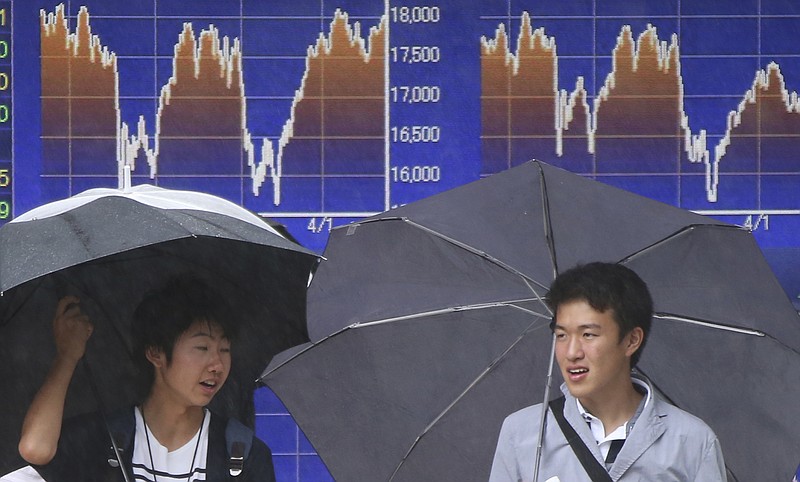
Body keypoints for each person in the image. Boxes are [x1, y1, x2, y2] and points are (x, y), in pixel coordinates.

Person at [17, 276, 276, 481]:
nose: (217, 364)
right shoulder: (106, 440)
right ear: (155, 353)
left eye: (225, 349)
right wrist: (68, 356)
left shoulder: (243, 454)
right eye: (202, 348)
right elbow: (35, 449)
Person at [489, 262, 726, 481]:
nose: (571, 352)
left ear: (632, 340)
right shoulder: (523, 433)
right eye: (561, 335)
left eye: (588, 334)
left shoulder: (691, 441)